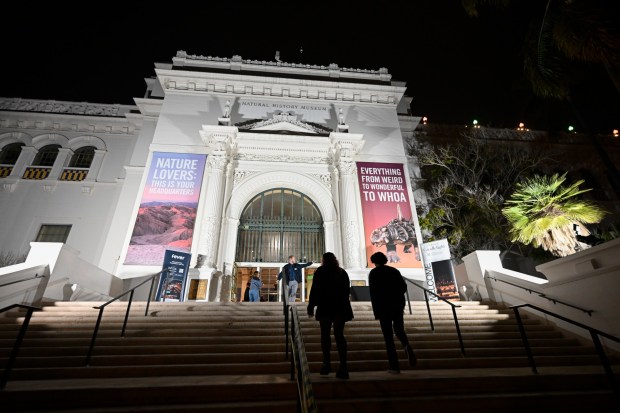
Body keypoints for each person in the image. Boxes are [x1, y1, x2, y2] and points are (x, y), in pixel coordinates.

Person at [307, 252, 353, 379]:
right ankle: (343, 366)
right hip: (340, 307)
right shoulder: (342, 272)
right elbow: (346, 290)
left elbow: (315, 288)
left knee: (325, 335)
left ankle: (326, 364)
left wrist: (311, 305)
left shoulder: (321, 271)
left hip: (326, 306)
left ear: (324, 260)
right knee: (339, 335)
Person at [368, 251, 416, 373]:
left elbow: (374, 293)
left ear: (374, 261)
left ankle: (394, 366)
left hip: (383, 307)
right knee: (399, 329)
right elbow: (403, 287)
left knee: (388, 337)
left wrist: (376, 311)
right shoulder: (394, 271)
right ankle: (406, 344)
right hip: (397, 305)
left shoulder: (374, 273)